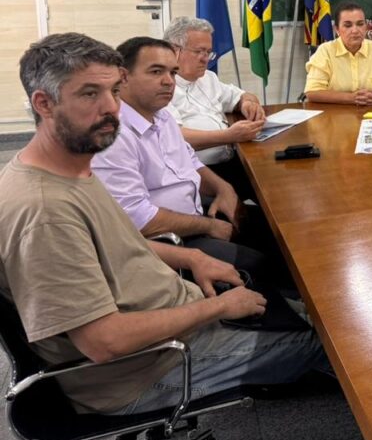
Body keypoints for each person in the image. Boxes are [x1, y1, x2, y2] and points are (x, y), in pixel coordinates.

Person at [0, 33, 327, 415]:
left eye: (114, 91)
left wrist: (191, 259)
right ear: (44, 103)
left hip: (174, 313)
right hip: (149, 367)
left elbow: (114, 242)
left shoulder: (70, 168)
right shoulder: (44, 212)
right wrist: (218, 308)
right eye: (90, 94)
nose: (112, 109)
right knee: (331, 343)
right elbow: (103, 342)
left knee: (318, 315)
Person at [92, 38, 275, 278]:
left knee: (273, 228)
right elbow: (138, 218)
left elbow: (191, 162)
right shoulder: (112, 134)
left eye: (173, 72)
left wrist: (224, 189)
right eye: (156, 71)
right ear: (123, 77)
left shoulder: (163, 116)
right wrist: (210, 226)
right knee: (257, 264)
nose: (169, 81)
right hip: (164, 243)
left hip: (193, 212)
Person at [163, 17, 265, 191]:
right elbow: (175, 137)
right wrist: (229, 136)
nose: (205, 59)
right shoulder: (162, 88)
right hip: (196, 173)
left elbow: (242, 96)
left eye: (209, 52)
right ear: (174, 51)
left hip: (232, 161)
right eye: (199, 52)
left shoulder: (208, 78)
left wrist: (248, 103)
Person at [304, 3, 372, 106]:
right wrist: (352, 98)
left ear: (366, 27)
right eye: (348, 25)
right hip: (336, 113)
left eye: (360, 24)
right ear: (337, 29)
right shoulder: (325, 51)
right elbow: (312, 92)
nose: (355, 30)